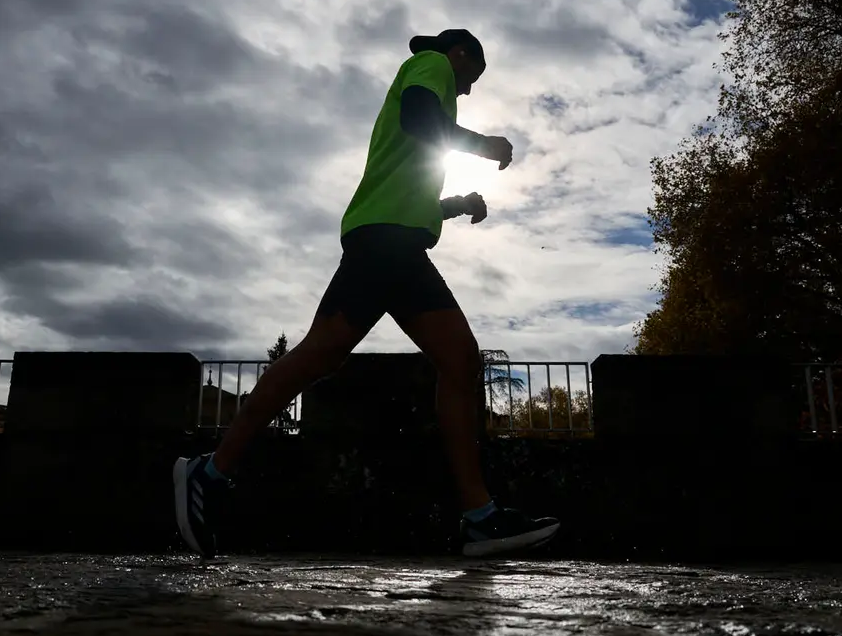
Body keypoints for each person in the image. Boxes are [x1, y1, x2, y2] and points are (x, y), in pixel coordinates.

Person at [173, 29, 560, 559]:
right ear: (462, 55)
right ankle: (479, 516)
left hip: (386, 238)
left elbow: (402, 187)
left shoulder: (423, 77)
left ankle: (213, 473)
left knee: (350, 354)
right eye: (473, 76)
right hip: (388, 244)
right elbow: (421, 121)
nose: (468, 89)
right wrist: (484, 145)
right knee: (436, 358)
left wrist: (454, 204)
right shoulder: (433, 64)